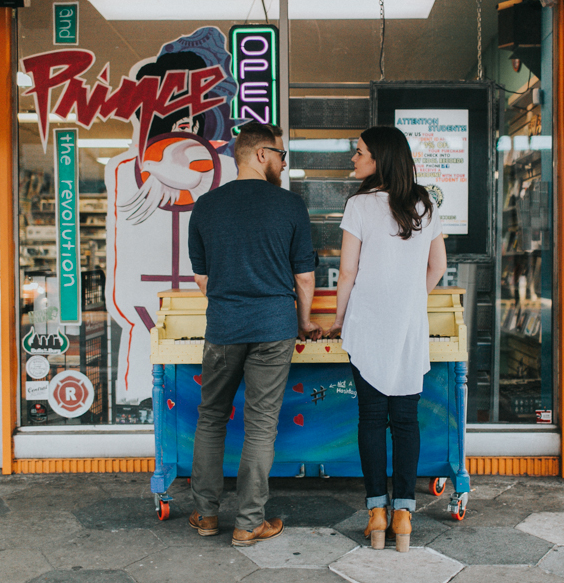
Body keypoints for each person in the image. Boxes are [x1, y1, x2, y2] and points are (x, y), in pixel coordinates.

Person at [187, 122, 322, 546]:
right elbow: (304, 279)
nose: (284, 163)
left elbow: (202, 280)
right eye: (281, 155)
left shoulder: (206, 206)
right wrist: (302, 322)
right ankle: (248, 523)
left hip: (224, 328)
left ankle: (207, 515)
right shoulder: (290, 207)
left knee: (211, 417)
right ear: (261, 154)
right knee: (261, 425)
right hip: (273, 328)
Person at [327, 125, 447, 552]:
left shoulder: (359, 205)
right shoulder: (424, 204)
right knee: (406, 420)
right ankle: (404, 516)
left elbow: (347, 273)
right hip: (407, 326)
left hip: (367, 324)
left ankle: (376, 512)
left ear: (378, 158)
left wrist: (341, 319)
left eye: (358, 152)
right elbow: (437, 267)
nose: (353, 159)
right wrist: (412, 299)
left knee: (372, 421)